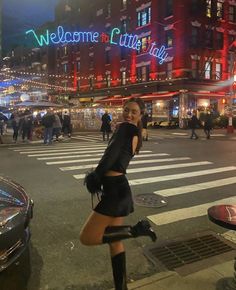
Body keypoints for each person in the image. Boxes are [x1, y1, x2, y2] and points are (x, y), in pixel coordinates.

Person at [80, 97, 157, 290]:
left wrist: (95, 176)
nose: (128, 114)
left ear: (141, 114)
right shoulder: (136, 132)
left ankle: (137, 230)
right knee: (115, 243)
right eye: (126, 110)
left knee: (87, 237)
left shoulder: (126, 129)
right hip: (119, 188)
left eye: (133, 112)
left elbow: (110, 156)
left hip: (115, 190)